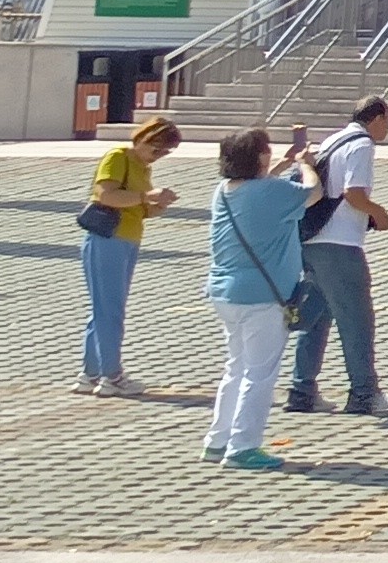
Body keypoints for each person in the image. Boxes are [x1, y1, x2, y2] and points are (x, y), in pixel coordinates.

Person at [203, 127, 305, 469]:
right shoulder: (273, 190)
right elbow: (312, 193)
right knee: (259, 374)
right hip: (263, 296)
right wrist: (306, 165)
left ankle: (218, 440)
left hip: (225, 292)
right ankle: (243, 446)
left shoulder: (224, 190)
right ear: (260, 155)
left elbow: (258, 189)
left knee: (236, 367)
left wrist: (282, 166)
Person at [291, 95, 388, 415]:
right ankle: (364, 393)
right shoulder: (362, 145)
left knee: (316, 318)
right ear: (376, 118)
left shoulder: (333, 140)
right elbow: (353, 194)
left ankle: (302, 391)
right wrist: (378, 213)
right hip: (340, 245)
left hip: (312, 240)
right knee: (357, 320)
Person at [80, 115, 184, 395]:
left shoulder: (142, 167)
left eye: (165, 152)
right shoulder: (118, 157)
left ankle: (91, 373)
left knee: (104, 309)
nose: (158, 156)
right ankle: (111, 376)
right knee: (110, 311)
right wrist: (145, 197)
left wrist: (156, 205)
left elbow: (137, 207)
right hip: (108, 239)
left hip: (127, 238)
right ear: (142, 138)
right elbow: (105, 195)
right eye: (156, 149)